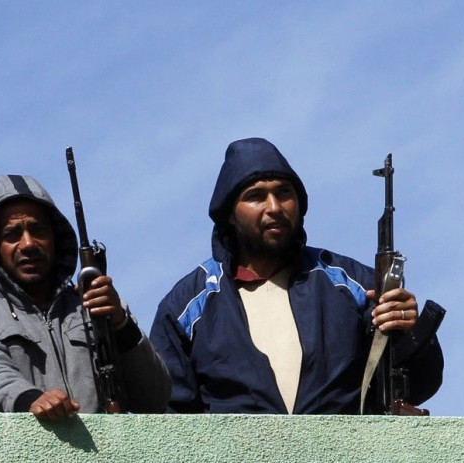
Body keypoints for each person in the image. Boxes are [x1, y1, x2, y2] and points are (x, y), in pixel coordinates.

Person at [149, 137, 444, 414]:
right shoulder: (188, 306)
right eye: (255, 197)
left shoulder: (350, 284)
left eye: (284, 193)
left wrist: (408, 330)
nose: (274, 207)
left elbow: (416, 386)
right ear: (229, 213)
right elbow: (167, 416)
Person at [0, 174, 171, 420]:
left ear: (56, 237)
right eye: (12, 234)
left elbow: (155, 398)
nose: (28, 243)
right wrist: (30, 401)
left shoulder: (97, 305)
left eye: (37, 229)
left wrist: (121, 324)